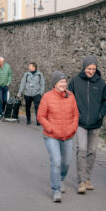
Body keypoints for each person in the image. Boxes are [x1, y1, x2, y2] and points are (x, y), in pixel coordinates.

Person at [68, 55, 106, 194]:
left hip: (95, 123)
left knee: (92, 152)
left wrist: (100, 115)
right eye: (88, 68)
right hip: (80, 123)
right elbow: (68, 98)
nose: (91, 71)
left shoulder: (100, 83)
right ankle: (81, 181)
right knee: (82, 150)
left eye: (93, 68)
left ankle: (87, 179)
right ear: (84, 67)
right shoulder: (75, 81)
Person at [37, 71, 79, 203]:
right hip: (51, 136)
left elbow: (76, 114)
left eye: (65, 81)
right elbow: (40, 116)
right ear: (55, 83)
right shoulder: (47, 97)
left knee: (66, 162)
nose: (63, 84)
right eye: (61, 82)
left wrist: (73, 128)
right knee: (56, 161)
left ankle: (61, 180)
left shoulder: (71, 96)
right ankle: (56, 190)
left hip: (68, 135)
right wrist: (50, 128)